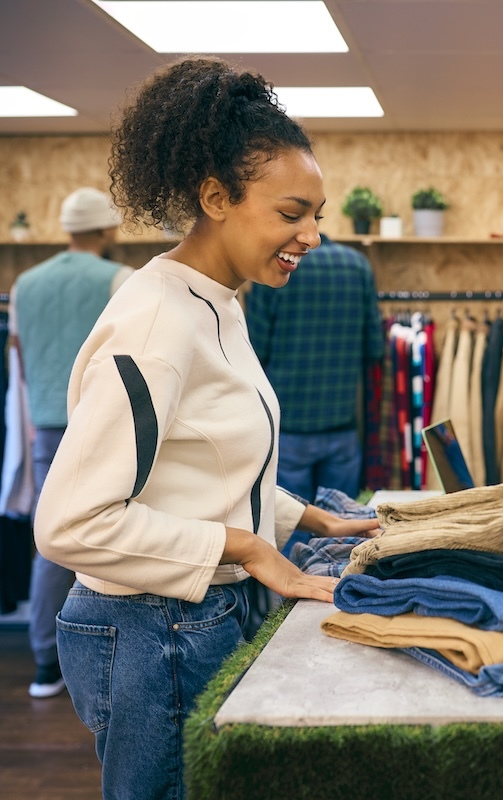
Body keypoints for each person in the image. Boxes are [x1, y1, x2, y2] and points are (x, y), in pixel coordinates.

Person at [33, 56, 379, 799]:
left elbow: (202, 464)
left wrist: (304, 515)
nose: (313, 234)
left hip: (192, 619)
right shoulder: (157, 321)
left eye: (317, 213)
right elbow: (68, 524)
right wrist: (249, 545)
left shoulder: (220, 301)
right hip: (151, 632)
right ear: (216, 197)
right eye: (292, 213)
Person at [10, 187, 134, 698]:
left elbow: (17, 352)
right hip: (103, 426)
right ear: (105, 230)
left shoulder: (24, 284)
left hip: (44, 424)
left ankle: (45, 663)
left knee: (52, 538)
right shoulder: (119, 279)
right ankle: (111, 656)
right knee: (114, 532)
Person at [244, 231, 384, 506]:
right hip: (342, 422)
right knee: (341, 527)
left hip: (289, 425)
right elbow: (375, 348)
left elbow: (251, 350)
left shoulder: (275, 269)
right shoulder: (358, 265)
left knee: (290, 527)